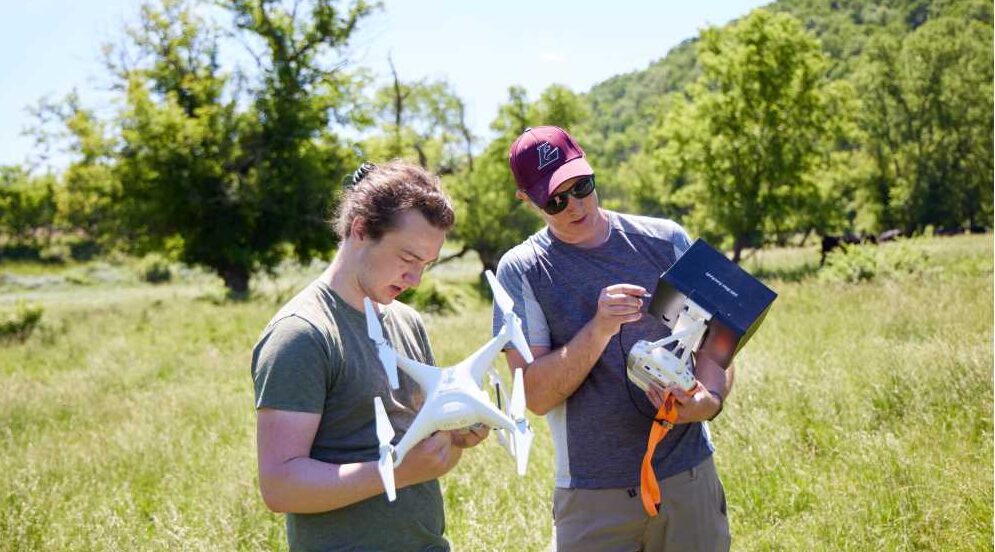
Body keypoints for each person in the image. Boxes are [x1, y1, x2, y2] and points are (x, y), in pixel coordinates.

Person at [493, 126, 734, 551]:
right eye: (555, 200)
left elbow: (716, 345)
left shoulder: (664, 240)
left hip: (686, 478)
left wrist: (706, 402)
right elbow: (534, 395)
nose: (575, 205)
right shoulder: (523, 270)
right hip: (593, 497)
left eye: (582, 186)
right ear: (526, 200)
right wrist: (599, 328)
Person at [252, 161, 487, 551]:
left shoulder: (407, 322)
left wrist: (459, 431)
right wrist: (397, 471)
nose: (416, 280)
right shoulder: (302, 334)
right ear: (360, 229)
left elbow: (419, 438)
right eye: (408, 259)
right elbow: (280, 486)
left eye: (426, 265)